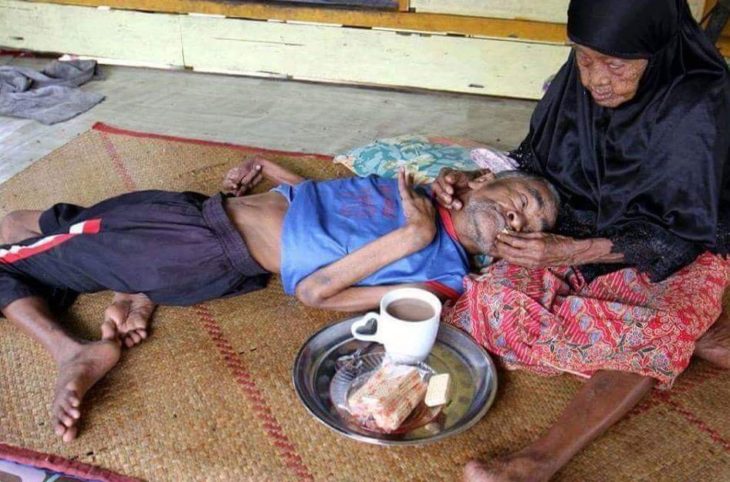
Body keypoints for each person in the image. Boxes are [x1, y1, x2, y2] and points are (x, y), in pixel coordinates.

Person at [0, 157, 558, 443]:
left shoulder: (442, 275)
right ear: (483, 179)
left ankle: (70, 347)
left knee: (18, 259)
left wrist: (411, 237)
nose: (522, 218)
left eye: (533, 226)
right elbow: (324, 200)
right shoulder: (421, 190)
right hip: (199, 218)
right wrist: (267, 170)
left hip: (196, 247)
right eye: (525, 199)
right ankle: (132, 289)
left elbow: (315, 292)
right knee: (59, 226)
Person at [432, 1, 730, 480]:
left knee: (659, 329)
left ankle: (535, 463)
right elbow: (538, 160)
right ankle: (698, 334)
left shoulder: (699, 102)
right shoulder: (584, 71)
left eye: (615, 64)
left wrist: (571, 252)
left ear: (656, 50)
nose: (595, 80)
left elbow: (682, 233)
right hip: (571, 220)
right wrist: (474, 182)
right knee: (491, 301)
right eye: (584, 58)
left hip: (672, 247)